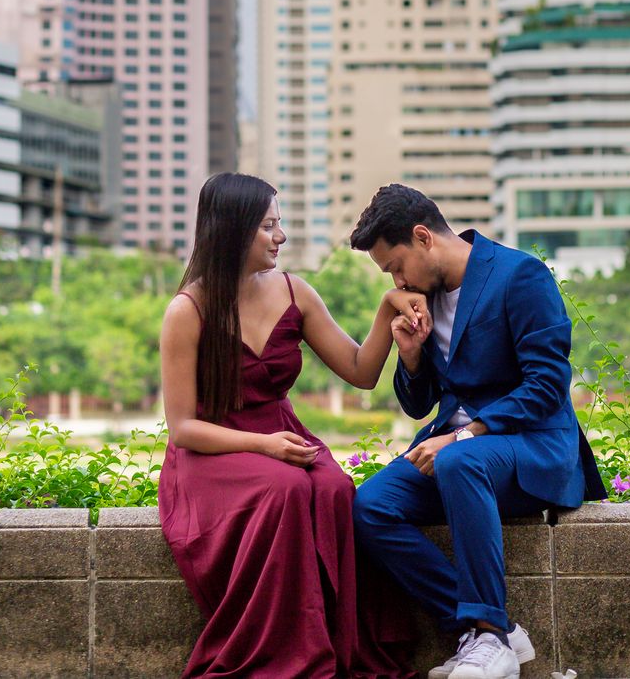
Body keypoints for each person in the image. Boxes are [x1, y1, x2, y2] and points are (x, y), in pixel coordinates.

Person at [159, 170, 429, 679]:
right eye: (268, 226)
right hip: (214, 451)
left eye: (279, 225)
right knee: (284, 489)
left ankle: (334, 642)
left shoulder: (294, 291)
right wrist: (262, 446)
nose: (280, 237)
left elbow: (360, 372)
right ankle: (284, 656)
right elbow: (183, 429)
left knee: (332, 487)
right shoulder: (187, 310)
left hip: (282, 436)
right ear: (232, 229)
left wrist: (386, 314)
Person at [349, 185, 605, 679]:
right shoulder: (423, 300)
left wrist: (468, 435)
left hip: (534, 446)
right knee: (371, 507)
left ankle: (488, 633)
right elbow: (419, 404)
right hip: (460, 458)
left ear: (423, 237)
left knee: (458, 458)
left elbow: (548, 384)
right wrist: (411, 355)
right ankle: (492, 633)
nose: (397, 281)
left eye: (396, 266)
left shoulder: (519, 274)